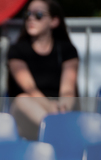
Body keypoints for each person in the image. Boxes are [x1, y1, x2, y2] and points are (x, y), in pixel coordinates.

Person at [8, 0, 79, 140]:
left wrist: (61, 108)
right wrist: (50, 108)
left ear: (54, 21)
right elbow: (30, 88)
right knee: (22, 99)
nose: (31, 18)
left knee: (69, 99)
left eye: (38, 15)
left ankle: (55, 131)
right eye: (28, 14)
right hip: (27, 116)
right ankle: (58, 132)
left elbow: (68, 90)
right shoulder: (16, 51)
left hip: (59, 111)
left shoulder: (67, 50)